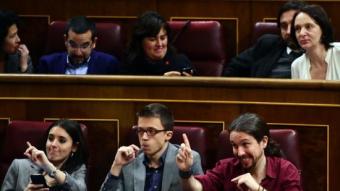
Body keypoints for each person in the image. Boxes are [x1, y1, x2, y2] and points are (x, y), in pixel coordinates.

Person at [176, 113, 302, 191]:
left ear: (263, 142)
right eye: (234, 146)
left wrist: (256, 188)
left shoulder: (285, 170)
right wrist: (185, 172)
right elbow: (197, 188)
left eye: (245, 144)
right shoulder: (226, 168)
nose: (240, 152)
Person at [100, 103, 203, 191]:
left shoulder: (188, 159)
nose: (144, 137)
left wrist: (185, 172)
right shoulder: (128, 160)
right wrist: (116, 165)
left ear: (168, 135)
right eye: (140, 131)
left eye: (151, 131)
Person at [223, 0, 305, 78]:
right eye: (284, 26)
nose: (288, 32)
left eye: (294, 24)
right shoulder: (267, 44)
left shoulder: (314, 51)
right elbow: (233, 69)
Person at [1, 119, 89, 191]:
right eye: (50, 138)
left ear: (74, 147)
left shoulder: (78, 170)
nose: (53, 144)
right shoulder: (19, 166)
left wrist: (49, 167)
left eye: (62, 141)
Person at [38, 16, 120, 75]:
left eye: (84, 46)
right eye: (73, 45)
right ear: (65, 40)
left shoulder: (109, 65)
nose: (78, 53)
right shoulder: (47, 64)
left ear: (94, 42)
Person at [122, 11, 194, 76]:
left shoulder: (181, 63)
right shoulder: (129, 66)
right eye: (152, 39)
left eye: (163, 38)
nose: (159, 44)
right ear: (140, 41)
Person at [291, 5, 340, 80]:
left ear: (322, 28)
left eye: (308, 26)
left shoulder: (338, 52)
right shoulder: (296, 66)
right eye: (297, 28)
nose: (301, 33)